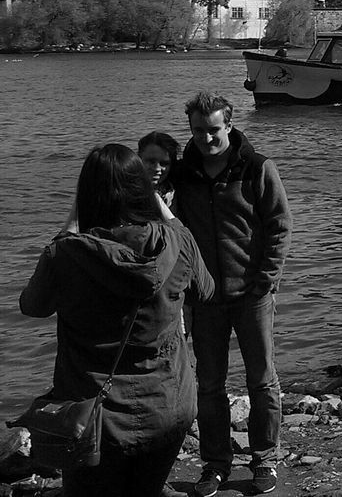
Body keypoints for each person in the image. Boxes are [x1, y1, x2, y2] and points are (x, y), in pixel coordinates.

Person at [20, 144, 214, 497]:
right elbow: (207, 289)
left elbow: (32, 306)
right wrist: (161, 207)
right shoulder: (177, 242)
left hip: (94, 417)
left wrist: (70, 224)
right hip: (168, 405)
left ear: (86, 194)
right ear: (143, 191)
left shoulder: (66, 253)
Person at [173, 92, 291, 496]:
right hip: (204, 297)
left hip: (253, 293)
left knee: (262, 381)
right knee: (209, 385)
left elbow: (279, 224)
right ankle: (216, 464)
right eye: (198, 131)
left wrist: (268, 277)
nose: (206, 139)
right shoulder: (183, 174)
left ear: (229, 125)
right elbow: (159, 212)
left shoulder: (256, 168)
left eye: (213, 130)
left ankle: (265, 459)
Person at [138, 131, 180, 207]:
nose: (157, 168)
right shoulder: (126, 192)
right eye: (151, 161)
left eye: (164, 163)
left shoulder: (182, 191)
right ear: (138, 159)